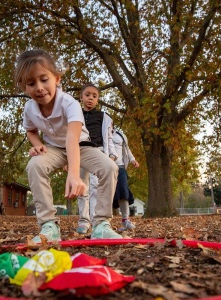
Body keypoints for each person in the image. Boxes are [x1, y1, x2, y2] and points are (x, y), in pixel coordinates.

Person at [16, 49, 123, 242]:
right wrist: (38, 144)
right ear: (24, 87)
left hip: (81, 146)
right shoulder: (29, 108)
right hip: (54, 148)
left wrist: (73, 175)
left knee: (109, 167)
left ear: (56, 79)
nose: (39, 87)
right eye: (31, 83)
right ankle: (48, 225)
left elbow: (72, 139)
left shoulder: (69, 104)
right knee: (34, 165)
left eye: (44, 79)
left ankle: (101, 224)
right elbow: (30, 130)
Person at [75, 83, 117, 234]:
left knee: (95, 188)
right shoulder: (75, 115)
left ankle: (96, 222)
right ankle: (83, 221)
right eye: (87, 95)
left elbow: (109, 137)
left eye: (94, 96)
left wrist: (111, 155)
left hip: (97, 151)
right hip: (79, 152)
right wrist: (68, 158)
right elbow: (69, 135)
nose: (90, 98)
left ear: (98, 100)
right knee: (81, 188)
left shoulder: (103, 117)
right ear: (81, 97)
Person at [111, 127, 140, 230]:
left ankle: (125, 220)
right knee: (106, 195)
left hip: (121, 167)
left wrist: (133, 160)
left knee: (124, 193)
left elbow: (126, 149)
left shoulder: (120, 134)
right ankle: (102, 222)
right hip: (106, 167)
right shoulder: (101, 134)